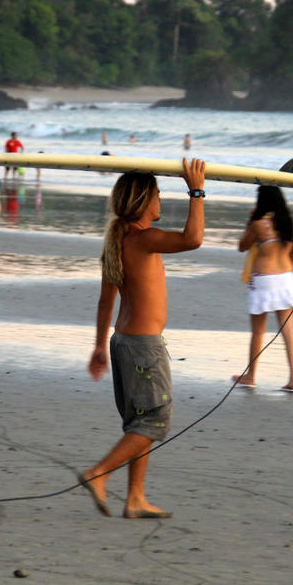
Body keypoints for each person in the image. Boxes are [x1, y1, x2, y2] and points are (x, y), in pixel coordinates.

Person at [82, 158, 206, 520]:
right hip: (143, 348)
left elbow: (106, 300)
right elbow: (192, 239)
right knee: (154, 421)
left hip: (122, 343)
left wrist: (97, 347)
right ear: (142, 202)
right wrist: (196, 191)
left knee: (139, 422)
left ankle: (135, 497)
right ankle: (98, 473)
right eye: (157, 195)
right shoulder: (145, 238)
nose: (161, 202)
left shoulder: (118, 240)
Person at [234, 185, 293, 392]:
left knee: (258, 332)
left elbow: (242, 246)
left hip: (264, 279)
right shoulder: (291, 225)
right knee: (288, 331)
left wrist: (249, 224)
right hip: (287, 278)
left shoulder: (258, 224)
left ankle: (250, 376)